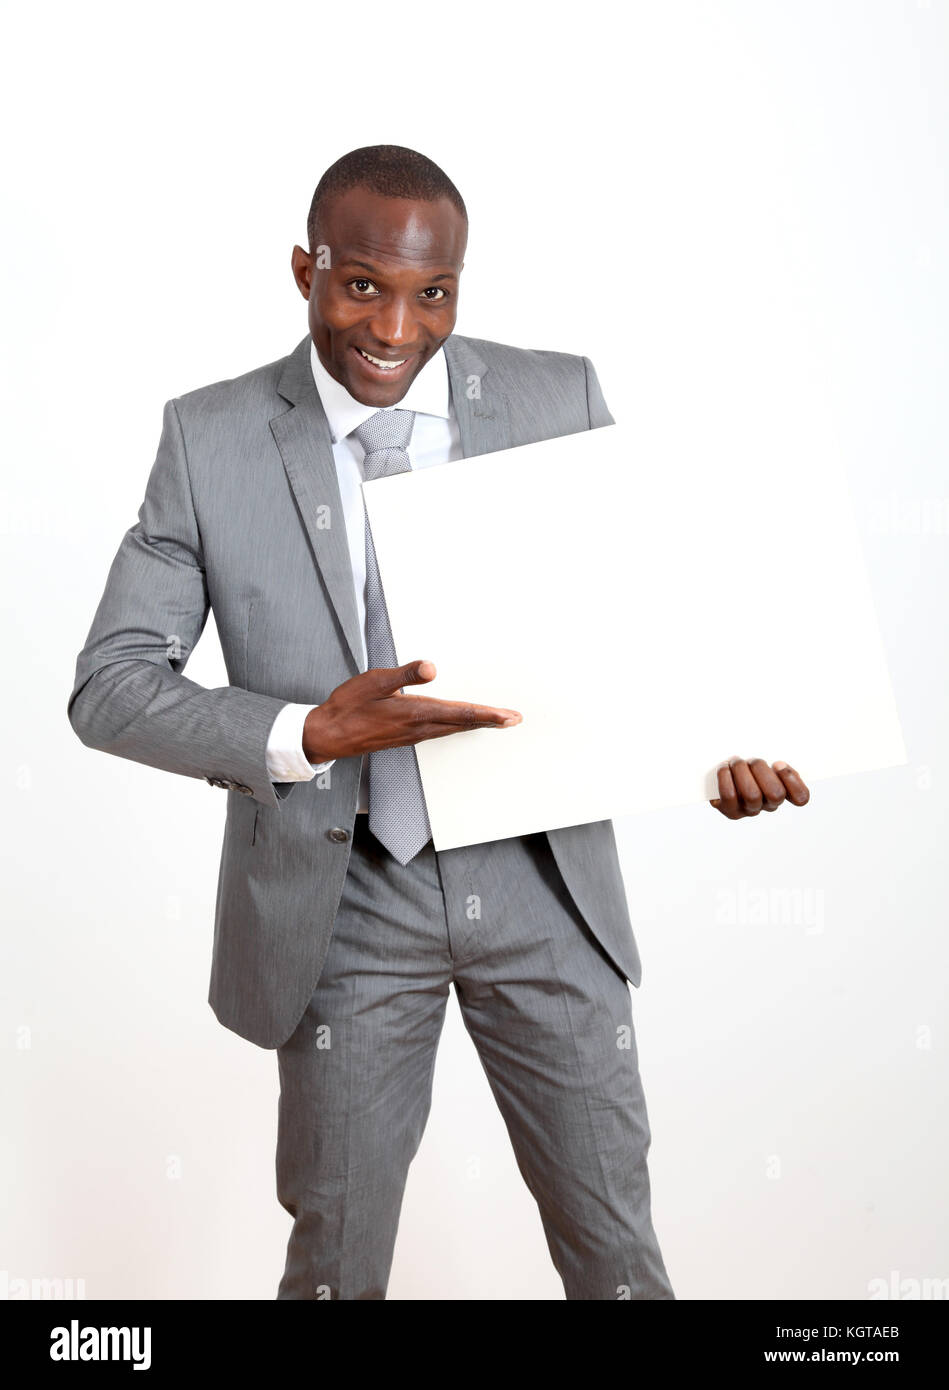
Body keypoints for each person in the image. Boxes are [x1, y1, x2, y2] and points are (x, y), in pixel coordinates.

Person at [68, 144, 810, 1301]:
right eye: (361, 284)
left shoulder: (557, 397)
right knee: (336, 1262)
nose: (397, 328)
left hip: (540, 882)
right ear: (305, 268)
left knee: (617, 1252)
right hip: (343, 897)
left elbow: (641, 620)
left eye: (434, 294)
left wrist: (714, 752)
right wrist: (305, 732)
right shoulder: (207, 438)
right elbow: (110, 684)